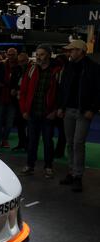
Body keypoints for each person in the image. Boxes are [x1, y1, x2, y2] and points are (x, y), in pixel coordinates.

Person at [58, 39, 100, 192]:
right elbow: (63, 88)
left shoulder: (94, 68)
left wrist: (93, 109)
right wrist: (61, 107)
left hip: (84, 111)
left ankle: (77, 176)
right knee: (70, 143)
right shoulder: (69, 66)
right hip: (68, 110)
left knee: (78, 143)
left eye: (72, 50)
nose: (69, 52)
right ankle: (71, 171)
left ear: (81, 51)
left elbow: (98, 91)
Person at [19, 44, 61, 179]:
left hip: (48, 114)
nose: (38, 57)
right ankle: (30, 166)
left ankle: (48, 167)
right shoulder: (31, 70)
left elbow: (61, 93)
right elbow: (23, 91)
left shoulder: (57, 71)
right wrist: (24, 109)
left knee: (48, 142)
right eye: (37, 54)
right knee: (32, 141)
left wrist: (55, 110)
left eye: (41, 54)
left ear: (49, 54)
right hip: (32, 113)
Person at [0, 48, 21, 148]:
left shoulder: (19, 66)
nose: (11, 56)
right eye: (9, 54)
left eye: (13, 54)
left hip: (12, 99)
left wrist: (16, 89)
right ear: (6, 54)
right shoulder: (1, 65)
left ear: (16, 54)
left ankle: (5, 140)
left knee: (9, 123)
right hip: (0, 97)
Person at [13, 52, 32, 151]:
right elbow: (14, 82)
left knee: (29, 125)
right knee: (20, 124)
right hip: (18, 101)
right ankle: (21, 143)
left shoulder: (32, 70)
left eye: (23, 61)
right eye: (19, 61)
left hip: (28, 101)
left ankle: (28, 145)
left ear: (27, 60)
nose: (21, 63)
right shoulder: (17, 69)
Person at [54, 54, 69, 158]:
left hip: (62, 105)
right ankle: (58, 151)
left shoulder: (67, 72)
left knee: (63, 131)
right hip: (55, 104)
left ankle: (60, 151)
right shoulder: (56, 71)